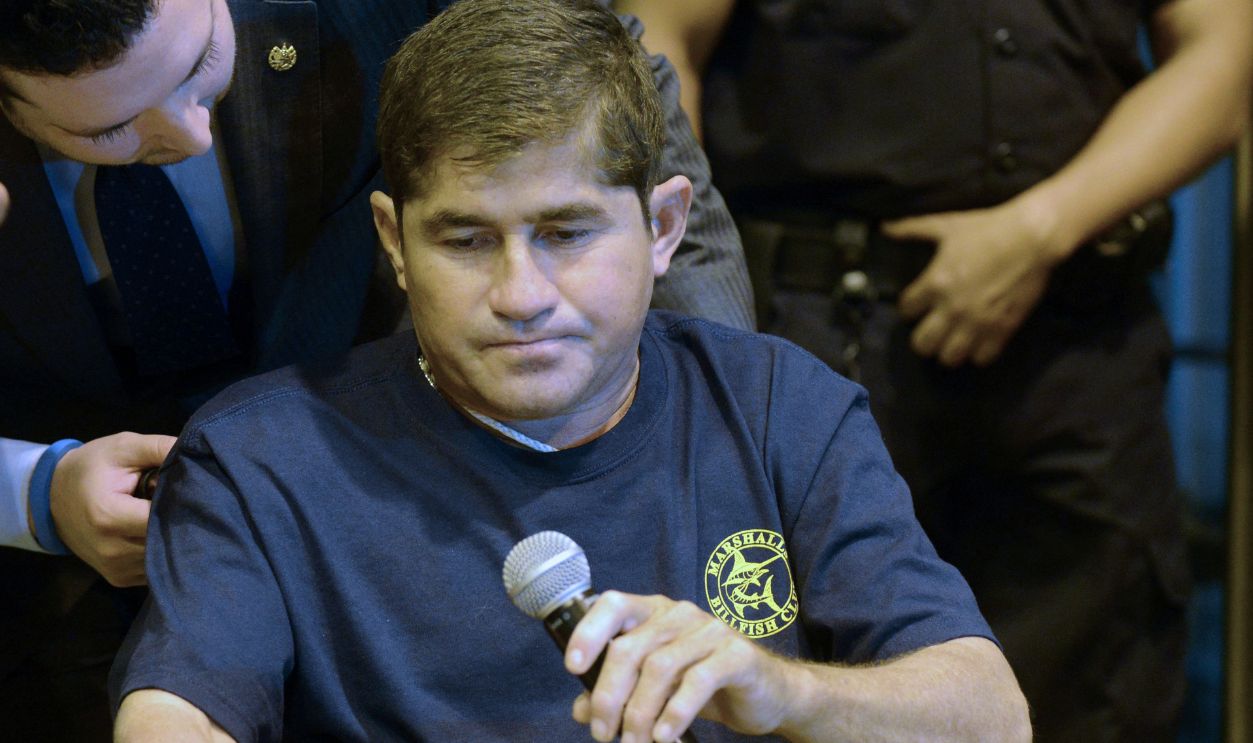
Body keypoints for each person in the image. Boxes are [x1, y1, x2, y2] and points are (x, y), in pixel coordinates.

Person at [109, 1, 1030, 740]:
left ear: (663, 227)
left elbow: (990, 713)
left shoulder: (781, 407)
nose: (521, 293)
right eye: (466, 239)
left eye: (566, 233)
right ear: (393, 239)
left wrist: (777, 690)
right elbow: (171, 713)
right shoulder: (259, 457)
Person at [0, 0, 753, 738]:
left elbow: (609, 98)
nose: (190, 132)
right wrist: (30, 491)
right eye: (108, 128)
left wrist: (699, 455)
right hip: (52, 601)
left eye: (201, 66)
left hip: (399, 500)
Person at [614, 0, 1253, 739]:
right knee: (792, 684)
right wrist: (711, 335)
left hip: (1079, 351)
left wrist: (1038, 232)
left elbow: (1224, 57)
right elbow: (657, 46)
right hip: (808, 342)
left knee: (1101, 689)